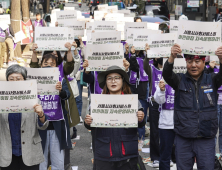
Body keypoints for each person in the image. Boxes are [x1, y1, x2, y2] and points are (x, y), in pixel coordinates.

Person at [162, 44, 222, 169]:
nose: (193, 65)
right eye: (189, 61)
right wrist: (171, 57)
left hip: (206, 137)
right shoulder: (179, 80)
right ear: (185, 63)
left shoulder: (212, 79)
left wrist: (221, 59)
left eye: (197, 61)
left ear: (204, 61)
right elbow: (167, 74)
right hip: (183, 137)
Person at [84, 65, 145, 170]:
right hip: (104, 154)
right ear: (105, 83)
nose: (113, 81)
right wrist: (87, 122)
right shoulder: (97, 102)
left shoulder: (132, 102)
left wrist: (140, 118)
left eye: (117, 78)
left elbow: (140, 123)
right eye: (109, 78)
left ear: (122, 81)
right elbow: (91, 126)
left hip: (127, 154)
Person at [0, 64, 49, 170]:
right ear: (7, 80)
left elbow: (43, 126)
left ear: (24, 80)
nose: (15, 82)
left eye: (18, 79)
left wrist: (41, 115)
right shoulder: (1, 99)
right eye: (11, 79)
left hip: (30, 152)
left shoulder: (33, 99)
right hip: (6, 153)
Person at [33, 54, 72, 170]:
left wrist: (61, 91)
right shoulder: (33, 81)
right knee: (41, 161)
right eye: (45, 64)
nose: (48, 66)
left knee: (58, 160)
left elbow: (67, 96)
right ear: (41, 65)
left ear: (56, 67)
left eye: (52, 64)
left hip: (56, 127)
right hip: (39, 126)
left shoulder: (61, 80)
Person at [143, 44, 162, 168]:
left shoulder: (172, 70)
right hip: (155, 103)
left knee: (168, 132)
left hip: (169, 104)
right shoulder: (152, 69)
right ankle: (155, 157)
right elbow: (145, 65)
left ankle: (168, 156)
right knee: (155, 131)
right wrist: (147, 54)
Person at [154, 80, 175, 169]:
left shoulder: (186, 79)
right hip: (166, 124)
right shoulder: (164, 80)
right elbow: (158, 100)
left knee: (183, 156)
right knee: (165, 156)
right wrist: (161, 90)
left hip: (183, 124)